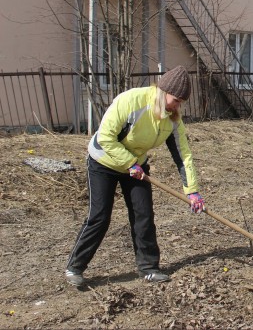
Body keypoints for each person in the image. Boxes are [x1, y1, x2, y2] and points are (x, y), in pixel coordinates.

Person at [65, 65, 206, 286]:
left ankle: (149, 268)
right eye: (176, 100)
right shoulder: (131, 101)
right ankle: (75, 267)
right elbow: (105, 138)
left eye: (181, 102)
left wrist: (193, 191)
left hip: (136, 166)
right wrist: (128, 162)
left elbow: (183, 155)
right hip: (103, 161)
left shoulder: (172, 119)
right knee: (100, 216)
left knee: (143, 215)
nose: (178, 106)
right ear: (163, 92)